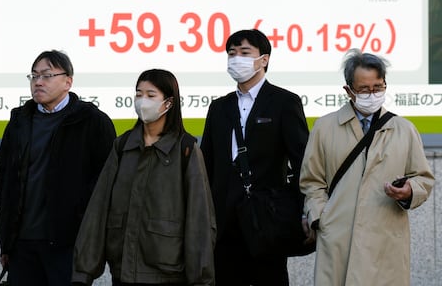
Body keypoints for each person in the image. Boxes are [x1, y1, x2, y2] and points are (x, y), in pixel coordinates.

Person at [299, 48, 435, 286]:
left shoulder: (403, 129)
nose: (372, 94)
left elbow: (423, 178)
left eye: (378, 87)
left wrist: (409, 191)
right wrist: (321, 219)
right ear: (348, 90)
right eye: (364, 89)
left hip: (385, 241)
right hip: (339, 239)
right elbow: (312, 181)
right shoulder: (324, 128)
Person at [72, 69, 216, 286]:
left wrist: (201, 280)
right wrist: (83, 274)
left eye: (151, 95)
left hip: (168, 275)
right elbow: (98, 210)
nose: (142, 101)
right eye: (139, 94)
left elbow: (200, 219)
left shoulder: (186, 149)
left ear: (168, 103)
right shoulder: (122, 146)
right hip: (123, 272)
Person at [0, 49, 116, 286]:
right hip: (22, 243)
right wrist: (6, 240)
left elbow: (106, 182)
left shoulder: (91, 121)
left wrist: (84, 230)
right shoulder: (20, 121)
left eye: (47, 75)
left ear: (67, 81)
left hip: (67, 243)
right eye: (34, 76)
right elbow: (4, 180)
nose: (38, 82)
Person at [200, 29, 309, 285]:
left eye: (245, 52)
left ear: (264, 59)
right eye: (231, 53)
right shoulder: (219, 107)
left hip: (266, 219)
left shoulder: (284, 102)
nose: (236, 58)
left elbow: (303, 159)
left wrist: (300, 208)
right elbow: (207, 163)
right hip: (224, 219)